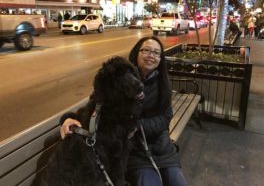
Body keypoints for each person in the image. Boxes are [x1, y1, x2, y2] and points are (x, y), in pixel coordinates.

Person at [60, 36, 188, 186]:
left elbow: (165, 118)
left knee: (178, 182)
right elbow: (95, 106)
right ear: (136, 53)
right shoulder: (118, 79)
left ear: (160, 59)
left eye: (156, 53)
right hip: (134, 152)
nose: (151, 56)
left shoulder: (163, 83)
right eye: (146, 50)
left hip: (162, 147)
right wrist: (68, 119)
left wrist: (136, 125)